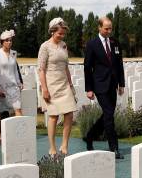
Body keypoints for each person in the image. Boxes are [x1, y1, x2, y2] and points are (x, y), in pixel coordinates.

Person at [83, 17, 125, 159]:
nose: (109, 31)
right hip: (99, 85)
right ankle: (114, 148)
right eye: (106, 28)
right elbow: (87, 67)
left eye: (110, 28)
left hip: (113, 84)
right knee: (108, 115)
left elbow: (119, 64)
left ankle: (89, 136)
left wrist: (122, 84)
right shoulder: (92, 44)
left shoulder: (114, 42)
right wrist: (88, 88)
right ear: (99, 28)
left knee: (108, 115)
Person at [37, 18, 77, 156]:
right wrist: (45, 89)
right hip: (51, 84)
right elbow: (41, 69)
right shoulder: (45, 47)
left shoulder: (64, 45)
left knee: (69, 113)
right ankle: (52, 147)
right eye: (60, 33)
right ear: (52, 31)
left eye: (63, 34)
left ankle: (64, 144)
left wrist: (71, 85)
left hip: (64, 83)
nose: (62, 36)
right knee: (53, 116)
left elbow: (66, 67)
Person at [0, 30, 23, 141]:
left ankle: (19, 134)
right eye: (7, 40)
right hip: (1, 87)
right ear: (2, 42)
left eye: (10, 40)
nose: (9, 42)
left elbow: (15, 70)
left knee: (18, 109)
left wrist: (19, 82)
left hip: (13, 86)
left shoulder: (13, 53)